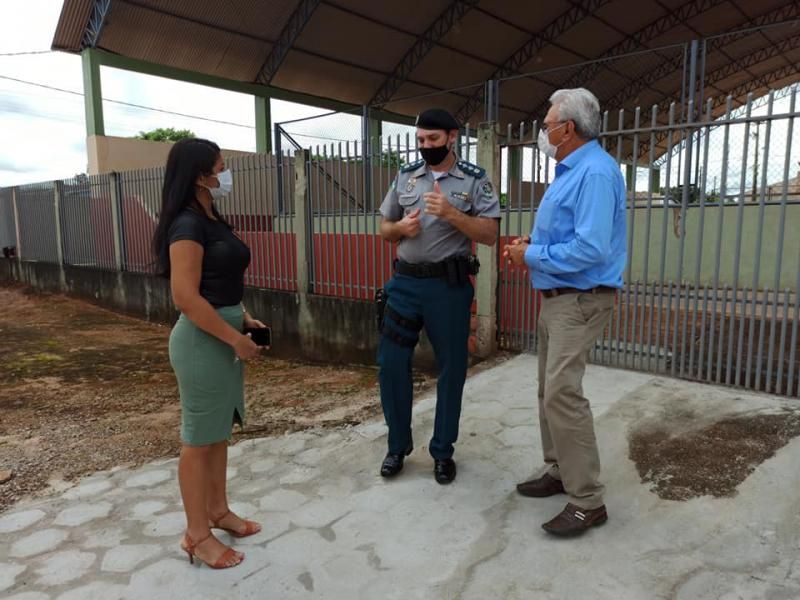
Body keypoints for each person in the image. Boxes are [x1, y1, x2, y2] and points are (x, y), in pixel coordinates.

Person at [504, 88, 626, 537]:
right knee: (548, 391)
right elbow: (566, 236)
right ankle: (560, 470)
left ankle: (587, 500)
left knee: (562, 394)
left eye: (548, 123)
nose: (544, 131)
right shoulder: (573, 169)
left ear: (567, 129)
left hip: (580, 298)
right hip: (560, 298)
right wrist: (530, 249)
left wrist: (531, 256)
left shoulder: (593, 173)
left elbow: (591, 248)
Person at [152, 138, 268, 568]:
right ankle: (196, 534)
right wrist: (234, 338)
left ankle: (218, 512)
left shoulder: (212, 217)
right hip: (203, 342)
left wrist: (246, 319)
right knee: (198, 440)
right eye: (221, 167)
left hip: (221, 331)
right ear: (201, 176)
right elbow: (185, 296)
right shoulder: (187, 225)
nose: (226, 174)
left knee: (219, 431)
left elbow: (219, 282)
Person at [377, 108, 500, 484]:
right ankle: (397, 446)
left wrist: (451, 214)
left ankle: (442, 451)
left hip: (448, 289)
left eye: (433, 139)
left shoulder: (475, 180)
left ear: (452, 137)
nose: (425, 146)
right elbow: (384, 228)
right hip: (405, 286)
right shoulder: (406, 176)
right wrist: (400, 227)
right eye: (420, 140)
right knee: (391, 364)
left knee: (451, 370)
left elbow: (490, 234)